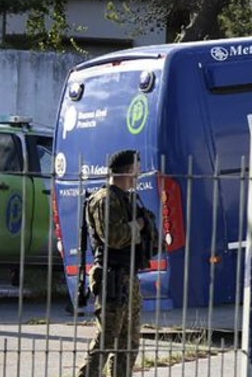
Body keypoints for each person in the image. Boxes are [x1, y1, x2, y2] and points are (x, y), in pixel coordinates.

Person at [77, 149, 160, 377]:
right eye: (137, 168)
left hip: (128, 276)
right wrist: (140, 226)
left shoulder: (127, 199)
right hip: (112, 277)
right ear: (129, 170)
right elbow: (113, 237)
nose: (139, 173)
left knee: (129, 343)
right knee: (106, 341)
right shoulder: (104, 199)